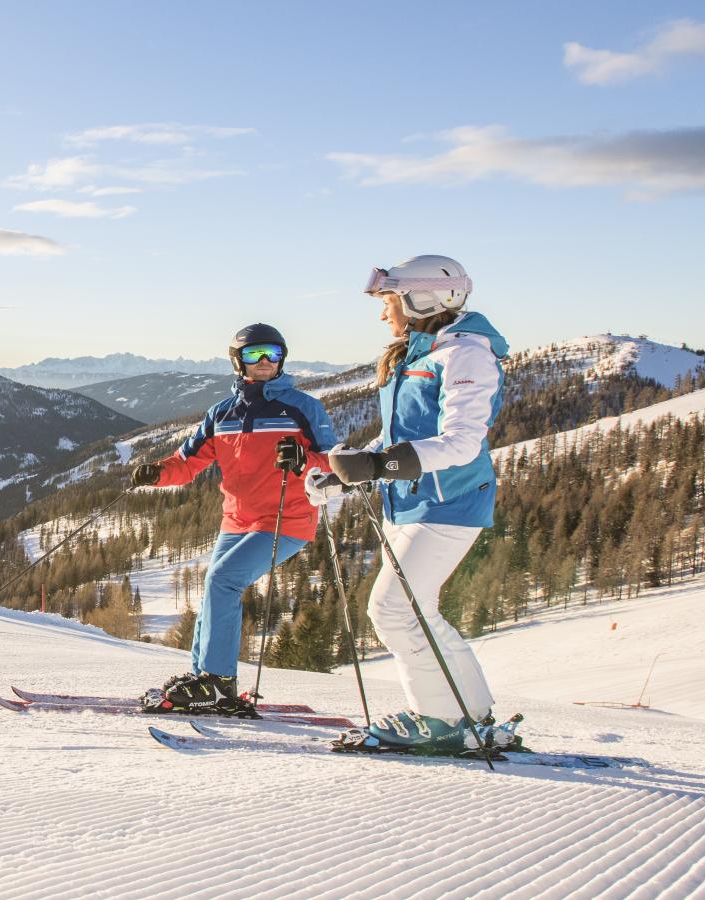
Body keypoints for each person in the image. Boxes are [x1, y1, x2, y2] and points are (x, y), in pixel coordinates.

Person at [312, 254, 510, 753]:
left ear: (423, 299)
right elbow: (400, 437)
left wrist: (381, 468)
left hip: (450, 501)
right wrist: (346, 473)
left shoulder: (465, 355)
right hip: (411, 503)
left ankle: (439, 721)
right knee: (419, 611)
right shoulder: (418, 354)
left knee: (393, 610)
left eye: (389, 302)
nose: (384, 314)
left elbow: (463, 442)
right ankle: (472, 714)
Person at [129, 323, 341, 714]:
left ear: (282, 360)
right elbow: (188, 462)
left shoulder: (302, 408)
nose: (263, 363)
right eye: (253, 355)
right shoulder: (221, 414)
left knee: (223, 580)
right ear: (236, 361)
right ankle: (202, 676)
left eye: (272, 355)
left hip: (285, 519)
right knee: (215, 590)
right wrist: (157, 472)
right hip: (237, 521)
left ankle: (218, 683)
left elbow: (334, 461)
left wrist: (304, 460)